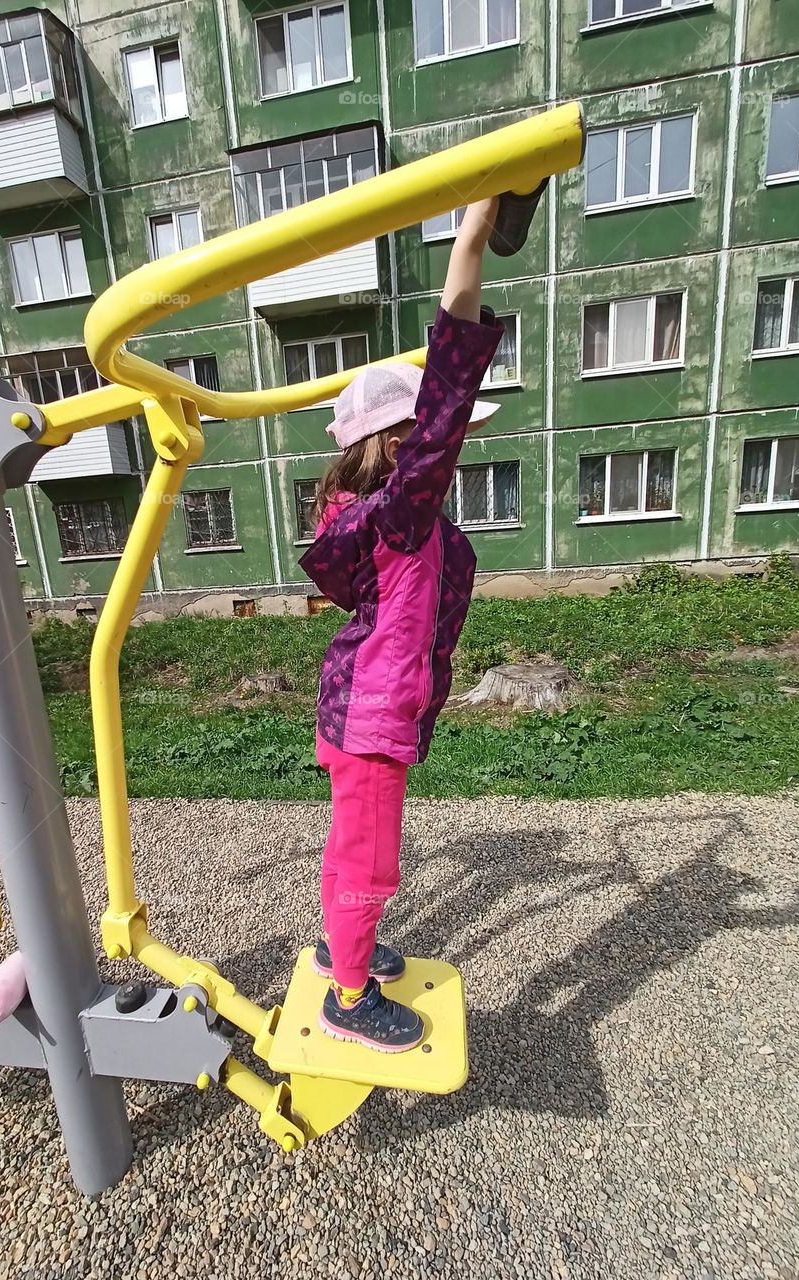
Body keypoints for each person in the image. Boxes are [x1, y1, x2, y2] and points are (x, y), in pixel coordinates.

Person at [299, 197, 505, 1052]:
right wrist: (469, 243)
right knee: (369, 863)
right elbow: (449, 401)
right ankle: (348, 998)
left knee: (355, 849)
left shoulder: (396, 524)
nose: (452, 459)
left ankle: (341, 949)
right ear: (402, 448)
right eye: (429, 446)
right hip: (372, 721)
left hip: (372, 712)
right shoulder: (398, 514)